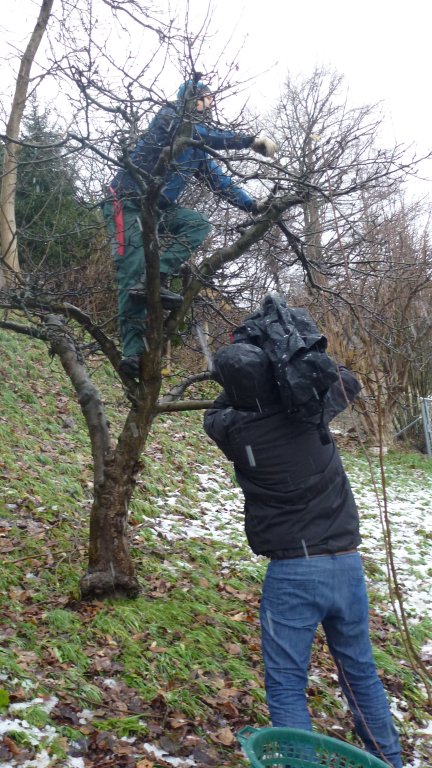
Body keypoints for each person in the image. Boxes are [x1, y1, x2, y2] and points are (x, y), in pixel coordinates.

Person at [203, 334, 403, 768]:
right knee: (360, 673)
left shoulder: (232, 430)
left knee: (287, 682)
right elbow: (346, 379)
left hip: (293, 574)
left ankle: (300, 764)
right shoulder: (311, 410)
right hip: (345, 565)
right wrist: (288, 359)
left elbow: (216, 411)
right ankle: (387, 761)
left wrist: (248, 377)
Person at [102, 79, 277, 378]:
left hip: (158, 209)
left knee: (196, 224)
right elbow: (199, 133)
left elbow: (218, 181)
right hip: (127, 201)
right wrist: (248, 140)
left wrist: (252, 205)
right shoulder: (170, 119)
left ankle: (155, 277)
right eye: (206, 99)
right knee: (131, 272)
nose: (210, 104)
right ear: (191, 99)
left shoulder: (197, 150)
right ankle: (131, 354)